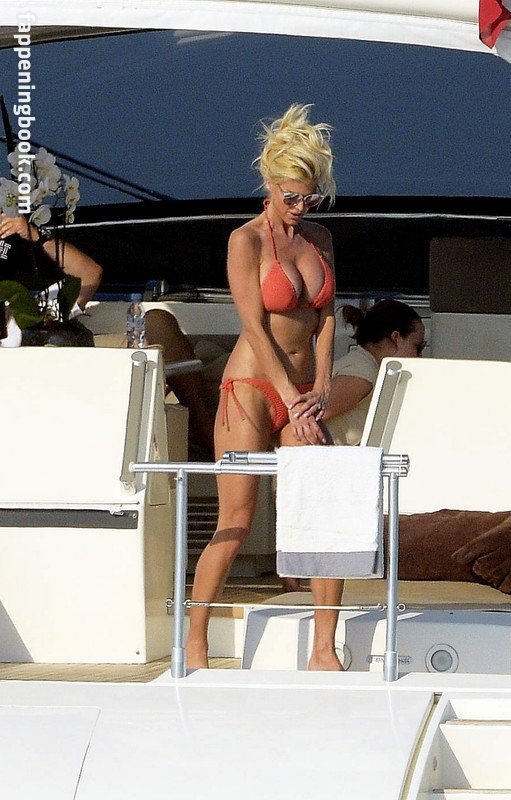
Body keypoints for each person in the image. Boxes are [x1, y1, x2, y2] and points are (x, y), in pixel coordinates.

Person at [185, 103, 342, 671]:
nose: (301, 207)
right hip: (252, 385)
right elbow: (252, 324)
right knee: (236, 519)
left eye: (310, 197)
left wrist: (321, 384)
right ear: (269, 185)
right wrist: (292, 396)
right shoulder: (245, 240)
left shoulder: (319, 237)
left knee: (323, 516)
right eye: (291, 196)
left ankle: (324, 650)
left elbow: (327, 316)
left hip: (303, 390)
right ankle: (195, 640)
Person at [0, 211, 215, 451]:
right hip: (28, 410)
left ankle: (201, 427)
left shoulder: (26, 307)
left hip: (80, 385)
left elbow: (89, 274)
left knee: (157, 322)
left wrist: (36, 236)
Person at [323, 300, 426, 446]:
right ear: (395, 338)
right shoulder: (362, 372)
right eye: (418, 346)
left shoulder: (367, 367)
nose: (419, 356)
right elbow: (311, 417)